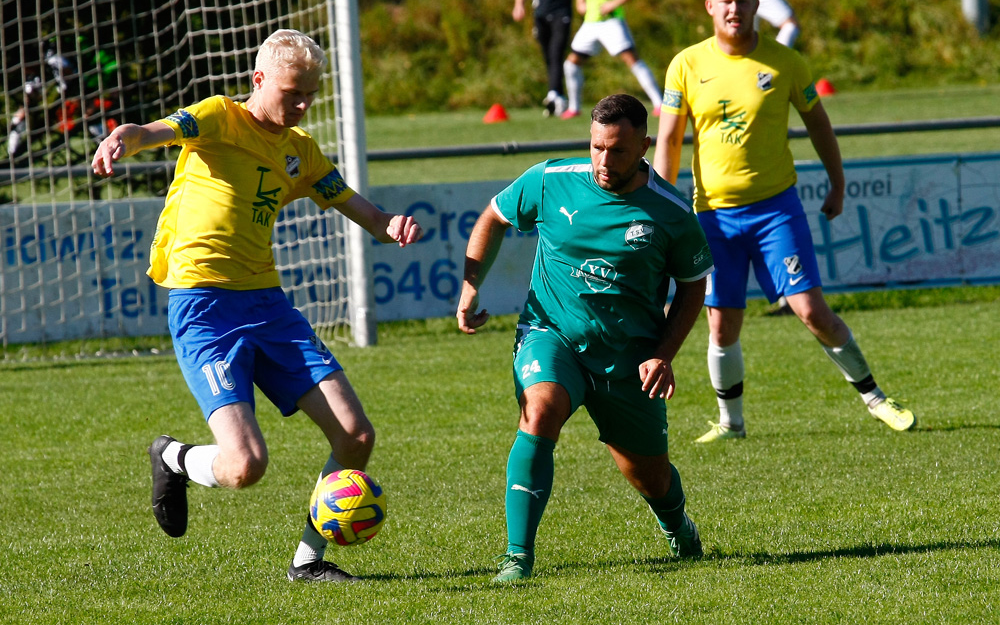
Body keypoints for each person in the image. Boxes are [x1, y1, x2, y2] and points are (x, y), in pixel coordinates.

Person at [91, 29, 423, 582]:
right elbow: (159, 130)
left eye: (310, 95)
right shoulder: (220, 117)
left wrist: (389, 224)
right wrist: (124, 137)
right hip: (204, 308)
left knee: (355, 435)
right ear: (259, 80)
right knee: (245, 467)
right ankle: (173, 458)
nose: (301, 105)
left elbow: (356, 206)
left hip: (269, 306)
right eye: (293, 92)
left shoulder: (301, 152)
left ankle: (307, 564)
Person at [458, 94, 714, 581]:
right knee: (540, 409)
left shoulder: (672, 212)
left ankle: (677, 525)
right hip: (550, 331)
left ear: (643, 145)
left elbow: (692, 286)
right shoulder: (551, 180)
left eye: (617, 150)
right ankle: (517, 557)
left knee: (650, 476)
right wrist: (471, 286)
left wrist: (664, 354)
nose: (603, 161)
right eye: (596, 147)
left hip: (628, 355)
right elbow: (492, 216)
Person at [653, 0, 916, 444]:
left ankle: (877, 399)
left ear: (758, 7)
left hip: (776, 210)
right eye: (726, 2)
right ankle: (731, 423)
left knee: (811, 310)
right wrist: (661, 205)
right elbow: (669, 140)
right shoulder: (686, 65)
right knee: (721, 319)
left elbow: (819, 125)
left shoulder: (785, 63)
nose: (735, 10)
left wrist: (837, 182)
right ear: (710, 7)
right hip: (713, 215)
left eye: (744, 1)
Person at [559, 0, 663, 120]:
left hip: (611, 20)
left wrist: (614, 3)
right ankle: (574, 107)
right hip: (591, 21)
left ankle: (659, 104)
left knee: (631, 59)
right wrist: (580, 2)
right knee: (571, 63)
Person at [512, 0, 580, 117]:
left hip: (561, 13)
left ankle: (553, 94)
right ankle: (559, 96)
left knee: (557, 52)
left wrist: (582, 1)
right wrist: (518, 5)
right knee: (548, 55)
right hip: (541, 14)